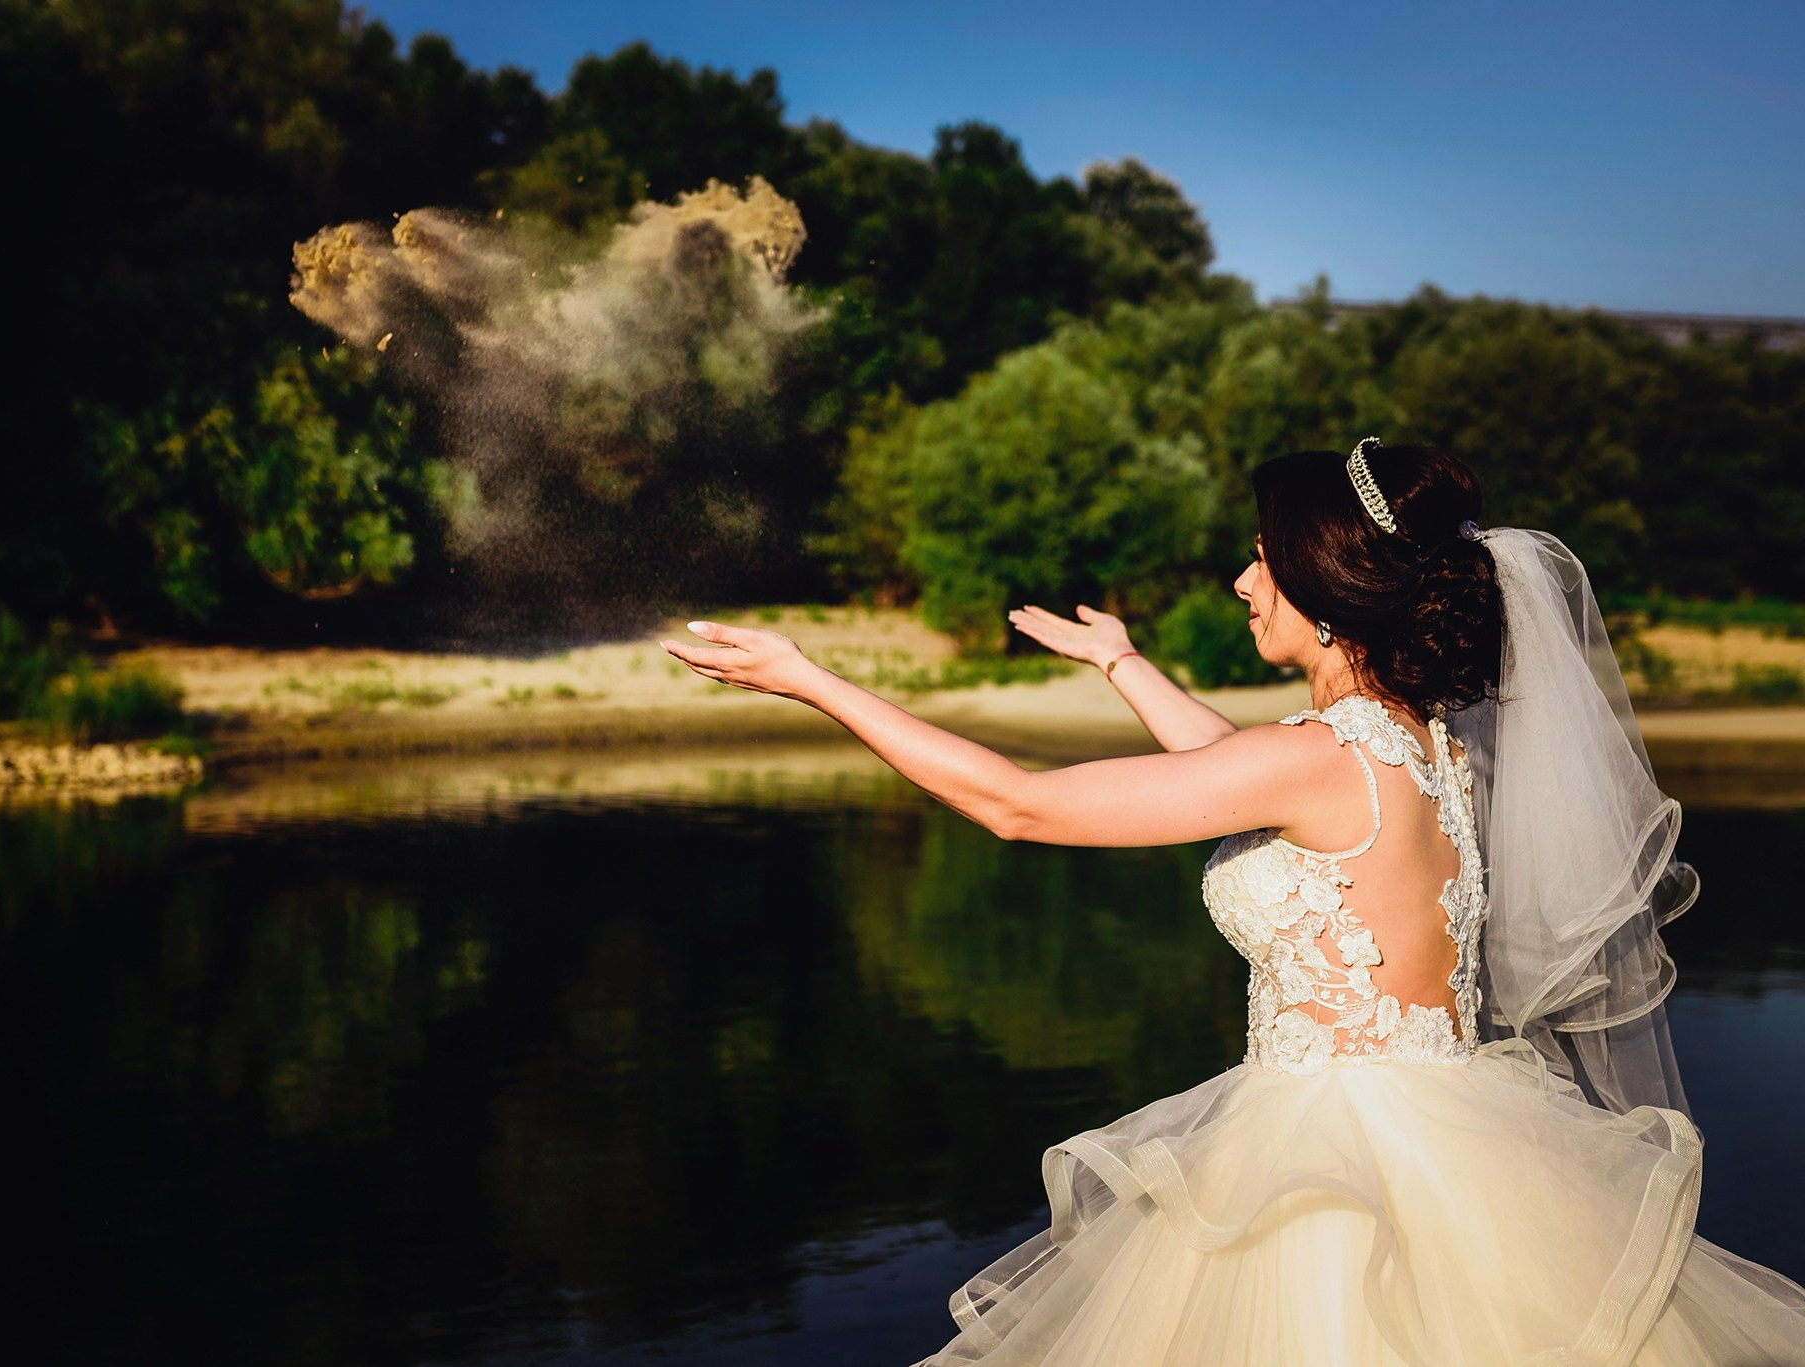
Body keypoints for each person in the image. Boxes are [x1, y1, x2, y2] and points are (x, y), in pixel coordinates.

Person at [661, 439, 1805, 1364]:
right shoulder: (1420, 744)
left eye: (1261, 558)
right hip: (1461, 1141)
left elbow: (1019, 805)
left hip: (1323, 1171)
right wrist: (1123, 663)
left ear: (1323, 587)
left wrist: (810, 679)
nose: (1242, 578)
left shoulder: (1316, 754)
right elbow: (1234, 769)